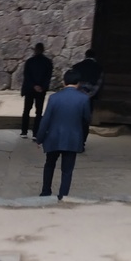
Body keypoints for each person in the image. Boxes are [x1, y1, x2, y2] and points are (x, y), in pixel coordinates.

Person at [34, 67, 91, 200]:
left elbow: (46, 120)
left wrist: (39, 138)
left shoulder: (54, 98)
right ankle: (63, 195)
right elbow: (87, 119)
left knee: (49, 164)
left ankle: (45, 191)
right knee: (67, 170)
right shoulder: (84, 99)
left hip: (53, 136)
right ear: (78, 83)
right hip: (72, 138)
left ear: (64, 82)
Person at [19, 43, 53, 139]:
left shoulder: (30, 61)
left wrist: (33, 85)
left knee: (26, 110)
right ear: (43, 50)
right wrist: (41, 87)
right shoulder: (47, 62)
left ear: (35, 50)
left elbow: (27, 76)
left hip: (30, 89)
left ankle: (24, 131)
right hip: (41, 90)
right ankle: (36, 133)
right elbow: (48, 77)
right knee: (39, 112)